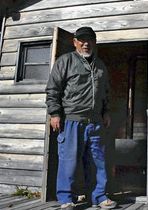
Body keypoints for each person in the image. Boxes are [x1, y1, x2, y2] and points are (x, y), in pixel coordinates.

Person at [45, 26, 116, 210]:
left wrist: (106, 112)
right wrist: (54, 113)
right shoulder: (65, 61)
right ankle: (66, 199)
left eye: (89, 40)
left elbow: (106, 92)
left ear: (94, 42)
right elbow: (53, 89)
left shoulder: (100, 66)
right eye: (82, 40)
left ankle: (99, 196)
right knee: (68, 162)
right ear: (75, 42)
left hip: (95, 122)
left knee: (97, 162)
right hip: (71, 120)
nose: (86, 43)